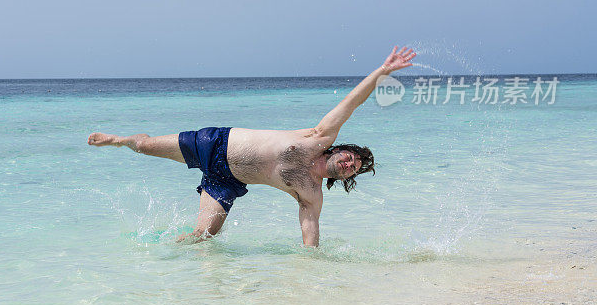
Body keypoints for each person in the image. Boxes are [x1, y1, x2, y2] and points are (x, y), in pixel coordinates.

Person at [87, 46, 416, 246]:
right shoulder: (318, 137)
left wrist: (310, 269)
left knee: (203, 238)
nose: (349, 165)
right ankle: (121, 140)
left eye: (353, 170)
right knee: (144, 147)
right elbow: (351, 102)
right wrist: (382, 72)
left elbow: (310, 233)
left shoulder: (311, 194)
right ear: (339, 149)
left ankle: (160, 262)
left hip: (227, 181)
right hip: (214, 143)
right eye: (350, 157)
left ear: (343, 180)